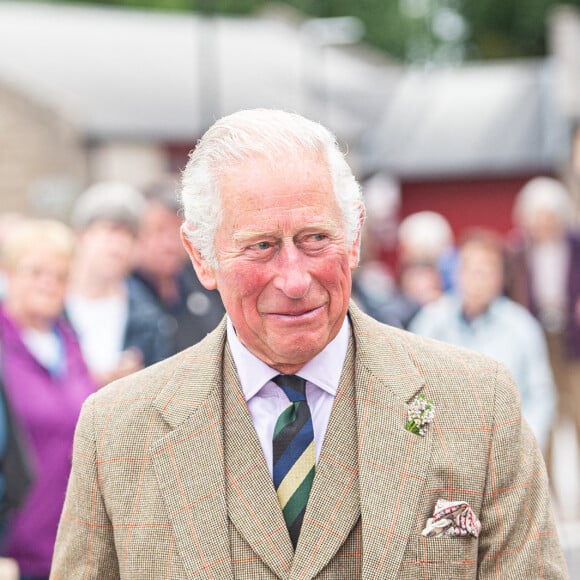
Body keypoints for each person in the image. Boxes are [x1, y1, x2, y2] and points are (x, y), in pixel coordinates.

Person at [51, 110, 568, 579]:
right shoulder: (117, 432)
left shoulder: (479, 402)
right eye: (261, 246)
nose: (295, 279)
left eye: (315, 238)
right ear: (201, 256)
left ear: (355, 234)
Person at [0, 218, 96, 580]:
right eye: (35, 271)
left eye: (59, 275)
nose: (48, 283)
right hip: (13, 552)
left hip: (71, 545)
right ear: (8, 274)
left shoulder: (69, 342)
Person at [410, 228, 557, 452]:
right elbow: (414, 387)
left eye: (487, 269)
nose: (477, 276)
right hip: (442, 451)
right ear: (457, 272)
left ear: (501, 277)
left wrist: (525, 449)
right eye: (469, 267)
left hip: (505, 452)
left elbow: (540, 395)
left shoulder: (522, 327)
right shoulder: (431, 322)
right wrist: (417, 442)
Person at [67, 181, 170, 387]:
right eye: (110, 231)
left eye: (130, 236)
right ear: (82, 235)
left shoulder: (148, 313)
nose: (119, 245)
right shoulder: (48, 302)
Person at [505, 176, 580, 461]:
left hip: (574, 337)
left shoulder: (576, 244)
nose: (544, 223)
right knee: (542, 413)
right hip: (535, 335)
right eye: (538, 217)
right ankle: (548, 492)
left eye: (550, 216)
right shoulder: (517, 250)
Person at [128, 180, 225, 353]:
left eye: (177, 231)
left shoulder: (207, 282)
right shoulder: (122, 294)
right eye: (158, 231)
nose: (169, 244)